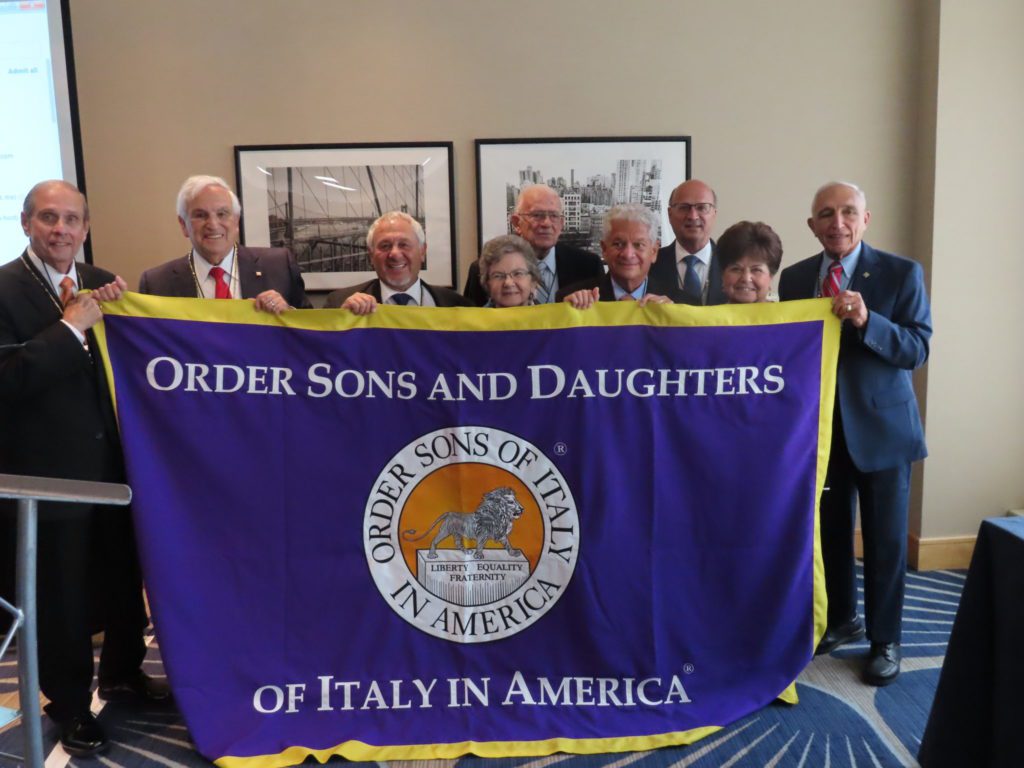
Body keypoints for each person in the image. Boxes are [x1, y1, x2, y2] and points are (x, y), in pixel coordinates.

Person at [0, 181, 169, 757]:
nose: (61, 230)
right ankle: (68, 704)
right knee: (62, 593)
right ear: (26, 223)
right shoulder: (1, 288)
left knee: (122, 577)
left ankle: (122, 672)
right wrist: (71, 327)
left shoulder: (101, 282)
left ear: (85, 227)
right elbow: (8, 381)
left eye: (72, 219)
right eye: (48, 218)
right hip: (46, 476)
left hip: (117, 469)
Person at [779, 181, 932, 686]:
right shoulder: (797, 278)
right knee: (829, 532)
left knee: (886, 540)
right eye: (826, 213)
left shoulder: (901, 272)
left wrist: (869, 320)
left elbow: (916, 347)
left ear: (866, 219)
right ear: (812, 225)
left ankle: (887, 639)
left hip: (884, 429)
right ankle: (842, 619)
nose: (837, 222)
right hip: (820, 431)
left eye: (848, 212)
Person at [139, 175, 310, 311]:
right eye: (200, 215)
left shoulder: (279, 266)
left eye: (222, 214)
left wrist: (287, 313)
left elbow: (312, 333)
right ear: (184, 225)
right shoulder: (156, 283)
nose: (213, 225)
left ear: (236, 221)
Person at [463, 184, 603, 305]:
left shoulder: (589, 266)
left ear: (561, 223)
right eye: (537, 215)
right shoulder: (485, 270)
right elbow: (472, 328)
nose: (547, 223)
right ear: (516, 223)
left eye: (554, 216)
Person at [324, 211, 471, 313]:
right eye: (385, 246)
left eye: (404, 244)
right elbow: (324, 355)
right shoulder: (338, 303)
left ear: (422, 251)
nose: (394, 254)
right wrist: (341, 323)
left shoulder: (459, 306)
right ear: (371, 255)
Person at [557, 204, 682, 308]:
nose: (628, 254)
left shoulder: (681, 303)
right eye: (618, 244)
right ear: (604, 249)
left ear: (654, 251)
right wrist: (566, 312)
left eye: (638, 245)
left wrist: (674, 320)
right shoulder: (571, 299)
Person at [650, 179, 726, 305]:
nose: (693, 216)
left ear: (714, 214)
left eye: (702, 207)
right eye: (684, 208)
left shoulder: (732, 264)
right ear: (670, 214)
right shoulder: (650, 265)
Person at [715, 220, 783, 303]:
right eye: (736, 269)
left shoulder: (788, 316)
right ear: (722, 275)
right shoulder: (708, 316)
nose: (746, 278)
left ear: (771, 276)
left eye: (756, 270)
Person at [477, 235, 541, 308]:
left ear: (533, 282)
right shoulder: (474, 319)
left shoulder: (550, 318)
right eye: (498, 276)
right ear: (487, 284)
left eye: (518, 273)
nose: (508, 283)